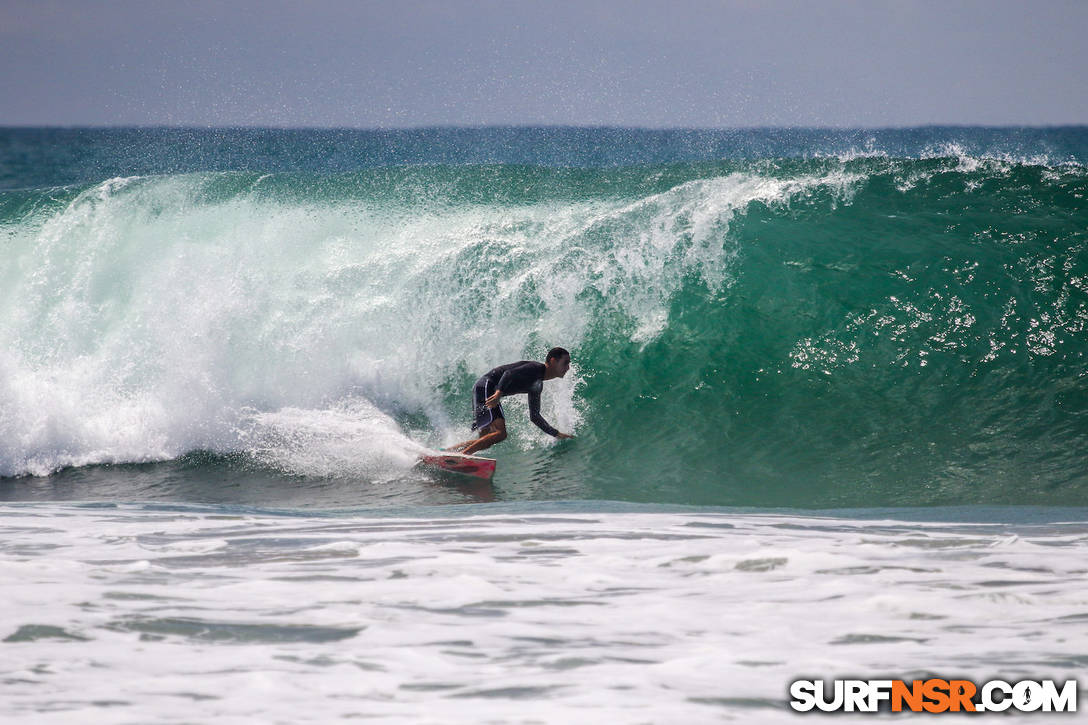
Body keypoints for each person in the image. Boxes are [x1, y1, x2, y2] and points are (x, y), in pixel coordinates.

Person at [451, 347, 575, 456]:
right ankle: (463, 455)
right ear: (553, 361)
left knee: (486, 439)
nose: (568, 367)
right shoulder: (536, 368)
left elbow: (535, 416)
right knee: (500, 433)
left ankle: (450, 452)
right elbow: (509, 373)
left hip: (487, 389)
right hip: (487, 386)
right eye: (565, 363)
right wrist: (499, 393)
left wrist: (556, 433)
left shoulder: (537, 385)